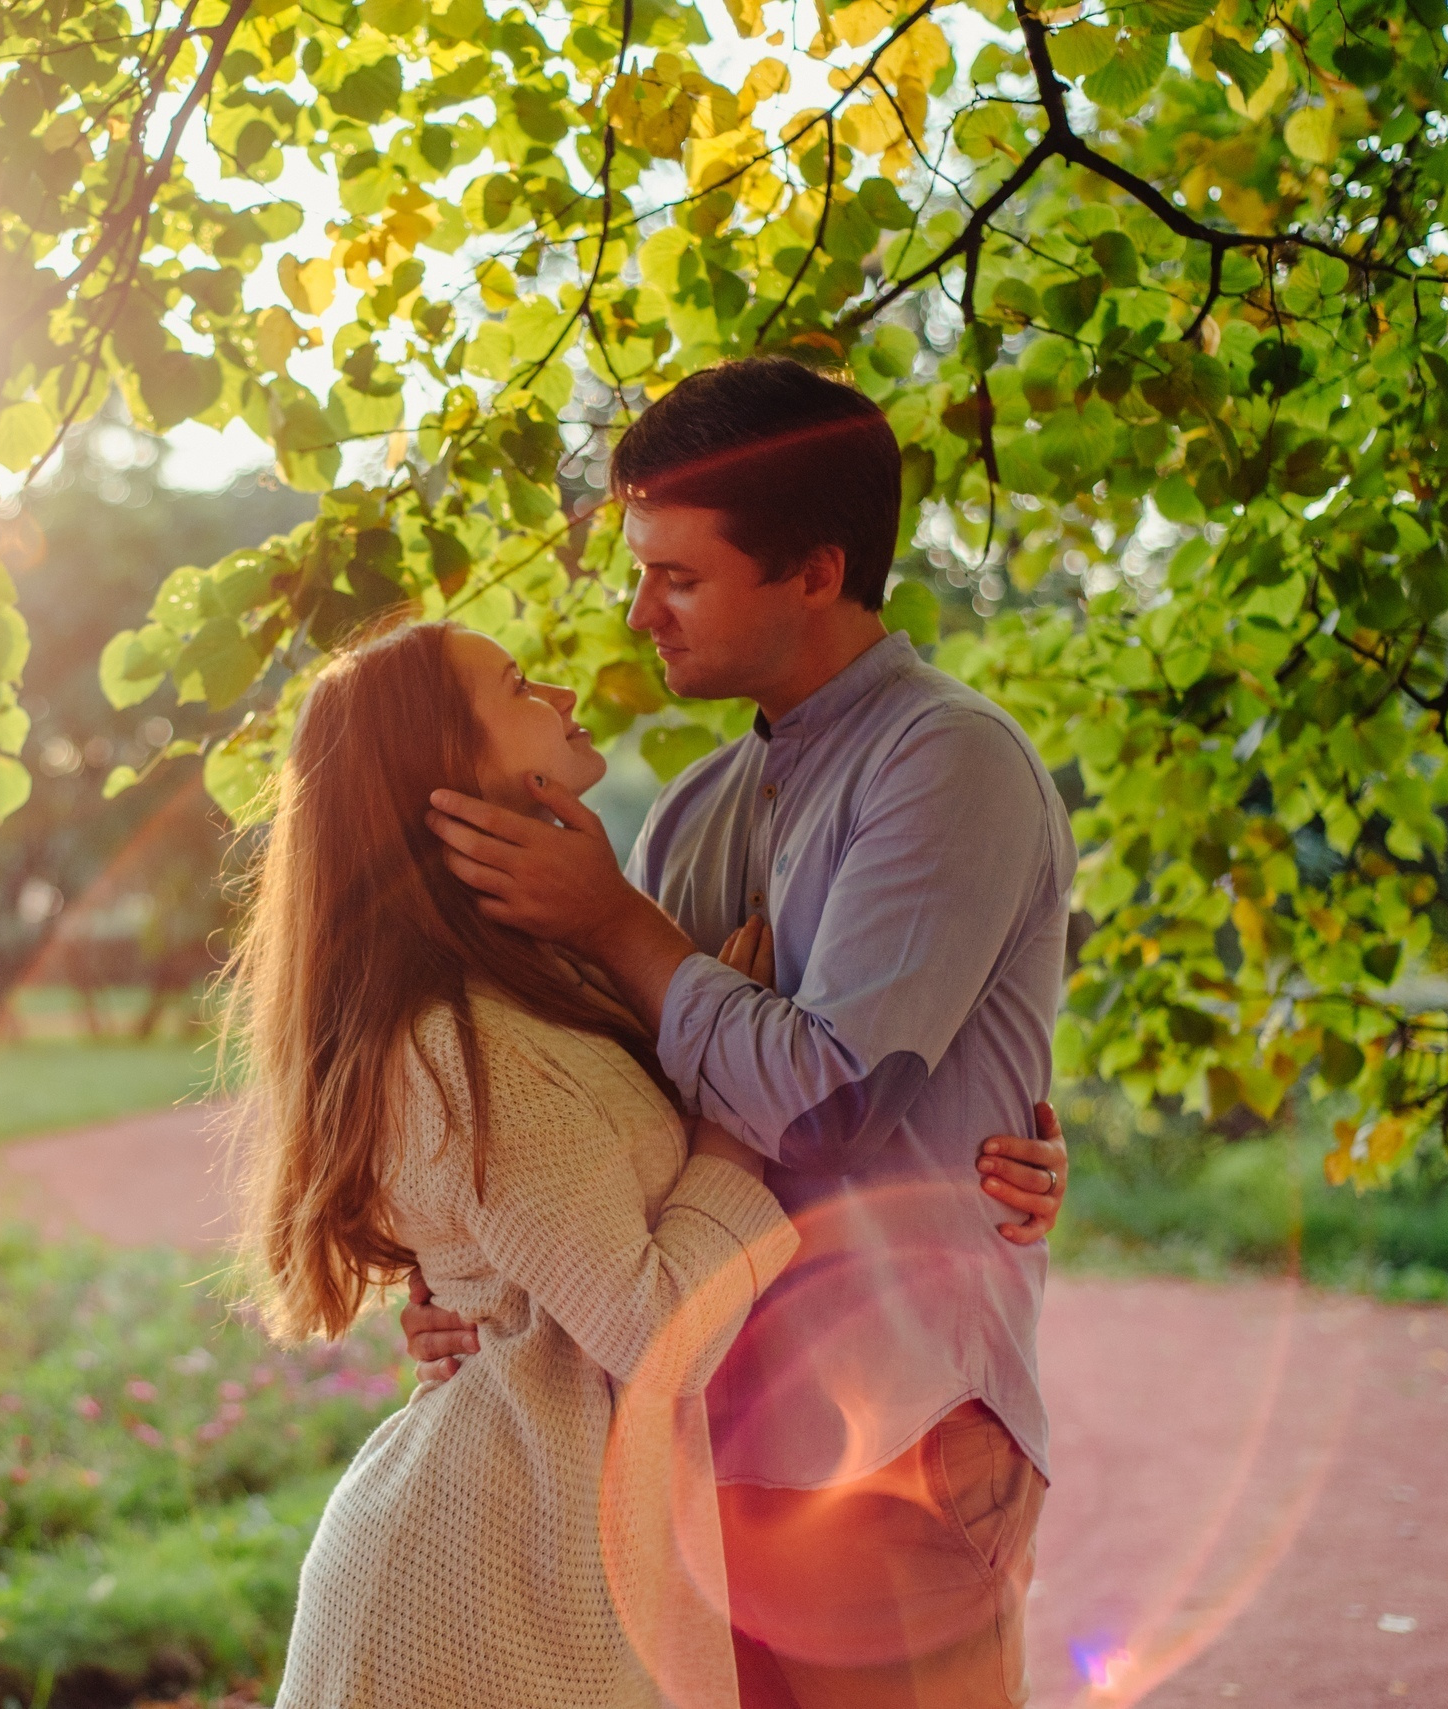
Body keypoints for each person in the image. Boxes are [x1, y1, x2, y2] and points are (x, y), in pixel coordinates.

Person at [234, 619, 1069, 1709]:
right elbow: (646, 1307)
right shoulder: (472, 1030)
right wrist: (735, 1117)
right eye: (517, 685)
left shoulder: (553, 962)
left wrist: (977, 1146)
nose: (572, 681)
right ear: (447, 770)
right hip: (482, 1591)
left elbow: (614, 1165)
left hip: (652, 1526)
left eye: (678, 576)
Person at [413, 357, 1077, 1708]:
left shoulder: (948, 761)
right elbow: (640, 1120)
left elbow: (830, 1105)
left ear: (815, 573)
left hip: (891, 1449)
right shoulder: (695, 804)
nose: (638, 611)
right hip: (702, 1459)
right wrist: (460, 1282)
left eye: (679, 577)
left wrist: (618, 925)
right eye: (640, 571)